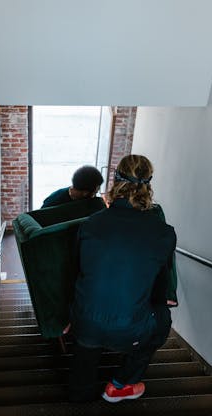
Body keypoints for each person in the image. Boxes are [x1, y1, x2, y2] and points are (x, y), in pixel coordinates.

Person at [67, 154, 177, 403]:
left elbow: (75, 274)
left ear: (115, 181)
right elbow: (160, 292)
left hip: (84, 322)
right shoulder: (164, 234)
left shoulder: (89, 225)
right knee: (162, 320)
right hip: (129, 329)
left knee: (87, 342)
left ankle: (79, 398)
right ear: (148, 186)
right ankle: (120, 384)